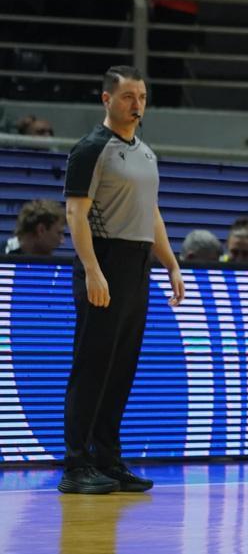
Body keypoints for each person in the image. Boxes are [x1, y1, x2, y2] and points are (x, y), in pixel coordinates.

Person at [60, 65, 186, 494]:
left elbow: (151, 215)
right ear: (107, 100)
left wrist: (170, 265)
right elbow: (75, 212)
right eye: (129, 96)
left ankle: (107, 458)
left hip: (137, 266)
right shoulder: (91, 149)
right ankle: (76, 464)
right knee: (93, 365)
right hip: (105, 259)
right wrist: (93, 269)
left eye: (143, 97)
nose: (137, 105)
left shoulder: (146, 154)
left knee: (121, 369)